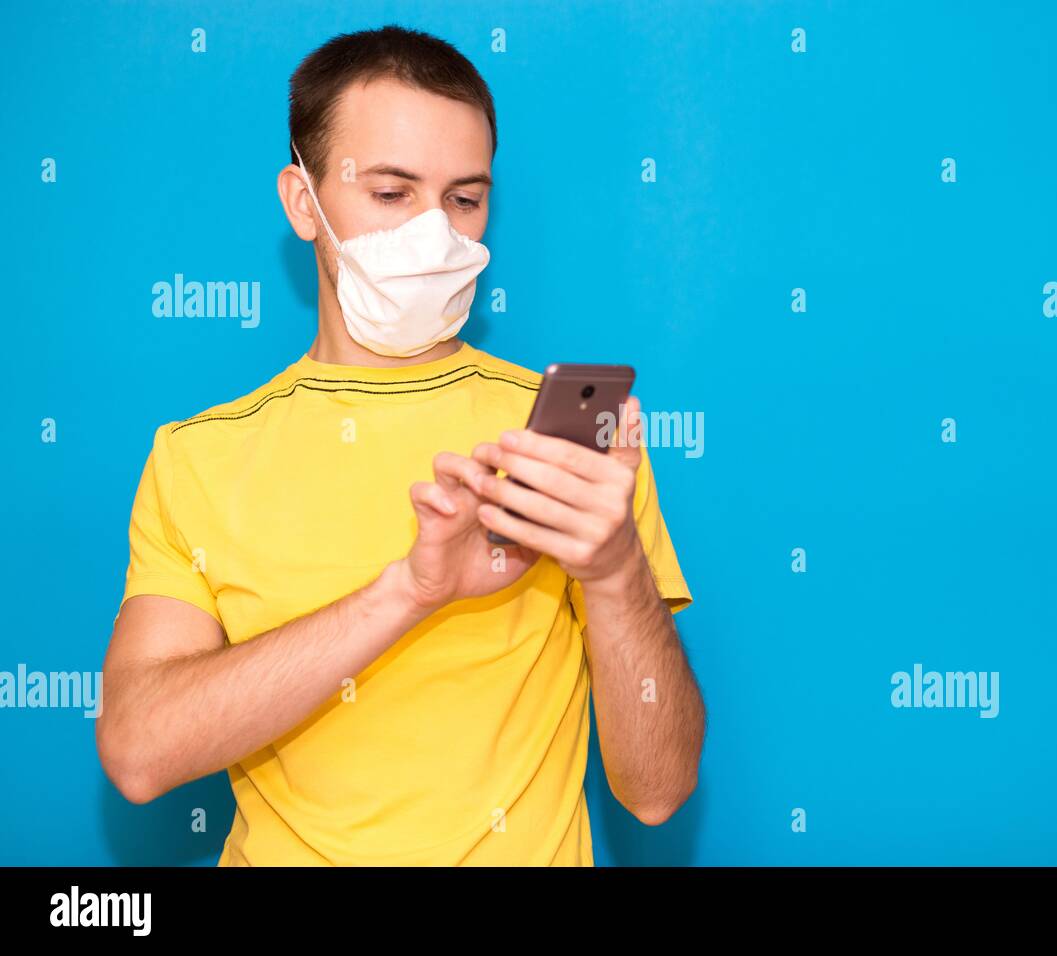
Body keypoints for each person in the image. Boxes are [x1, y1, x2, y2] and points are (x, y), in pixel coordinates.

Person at [95, 24, 704, 866]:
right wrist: (409, 594)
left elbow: (658, 789)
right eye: (390, 193)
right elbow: (137, 750)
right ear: (303, 201)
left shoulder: (565, 447)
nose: (437, 235)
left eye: (463, 198)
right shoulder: (198, 456)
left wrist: (614, 569)